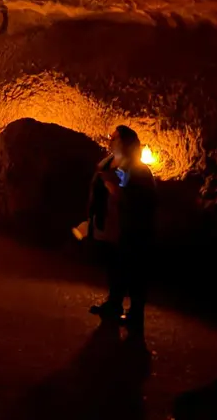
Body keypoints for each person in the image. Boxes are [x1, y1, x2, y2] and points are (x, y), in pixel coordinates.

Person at [87, 125, 156, 328]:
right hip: (109, 225)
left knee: (134, 270)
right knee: (113, 266)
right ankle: (114, 304)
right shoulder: (106, 162)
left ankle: (135, 314)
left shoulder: (139, 169)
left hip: (130, 227)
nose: (110, 140)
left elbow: (142, 199)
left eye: (115, 138)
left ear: (125, 142)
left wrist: (114, 188)